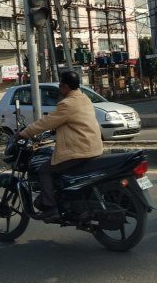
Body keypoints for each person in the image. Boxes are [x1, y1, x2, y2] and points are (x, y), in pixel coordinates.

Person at [19, 70, 104, 220]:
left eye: (60, 86)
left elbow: (46, 121)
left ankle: (51, 208)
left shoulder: (67, 103)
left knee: (44, 170)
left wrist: (24, 133)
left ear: (65, 86)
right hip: (93, 147)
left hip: (79, 150)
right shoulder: (84, 98)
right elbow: (74, 121)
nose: (59, 88)